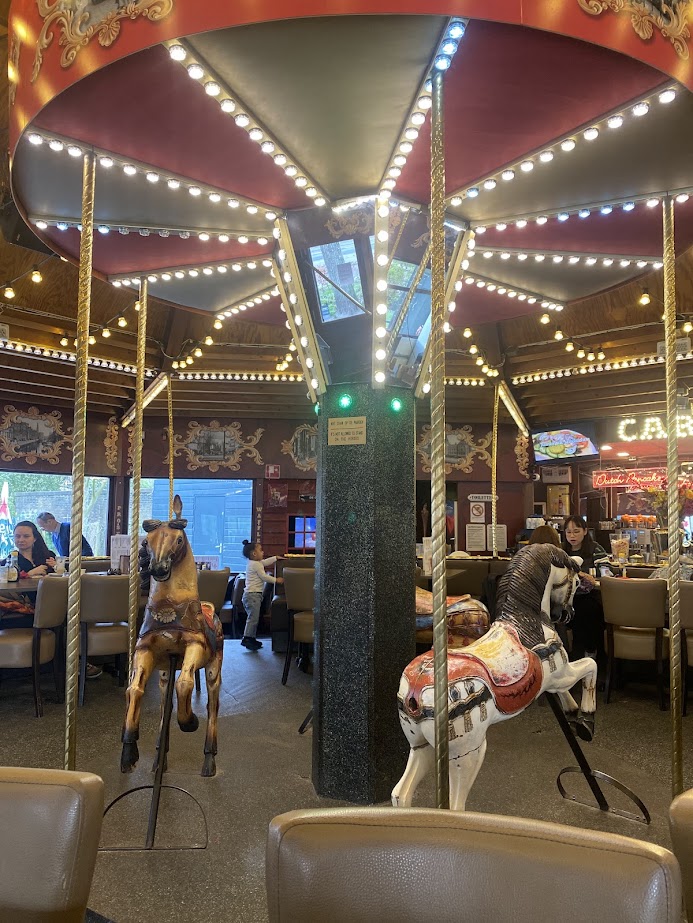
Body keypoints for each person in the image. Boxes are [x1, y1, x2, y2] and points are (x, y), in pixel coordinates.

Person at [562, 515, 608, 662]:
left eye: (576, 531)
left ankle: (587, 652)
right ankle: (579, 655)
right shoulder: (561, 551)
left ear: (585, 531)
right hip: (566, 598)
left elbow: (607, 571)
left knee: (586, 608)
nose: (572, 536)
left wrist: (586, 575)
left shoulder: (595, 548)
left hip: (591, 596)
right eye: (569, 532)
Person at [240, 540, 283, 651]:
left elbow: (265, 562)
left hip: (251, 595)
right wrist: (276, 580)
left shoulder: (254, 563)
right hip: (253, 596)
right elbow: (264, 577)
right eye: (260, 550)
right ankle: (247, 638)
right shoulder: (256, 565)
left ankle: (251, 638)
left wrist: (275, 558)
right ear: (254, 553)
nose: (263, 552)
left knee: (253, 618)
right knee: (253, 619)